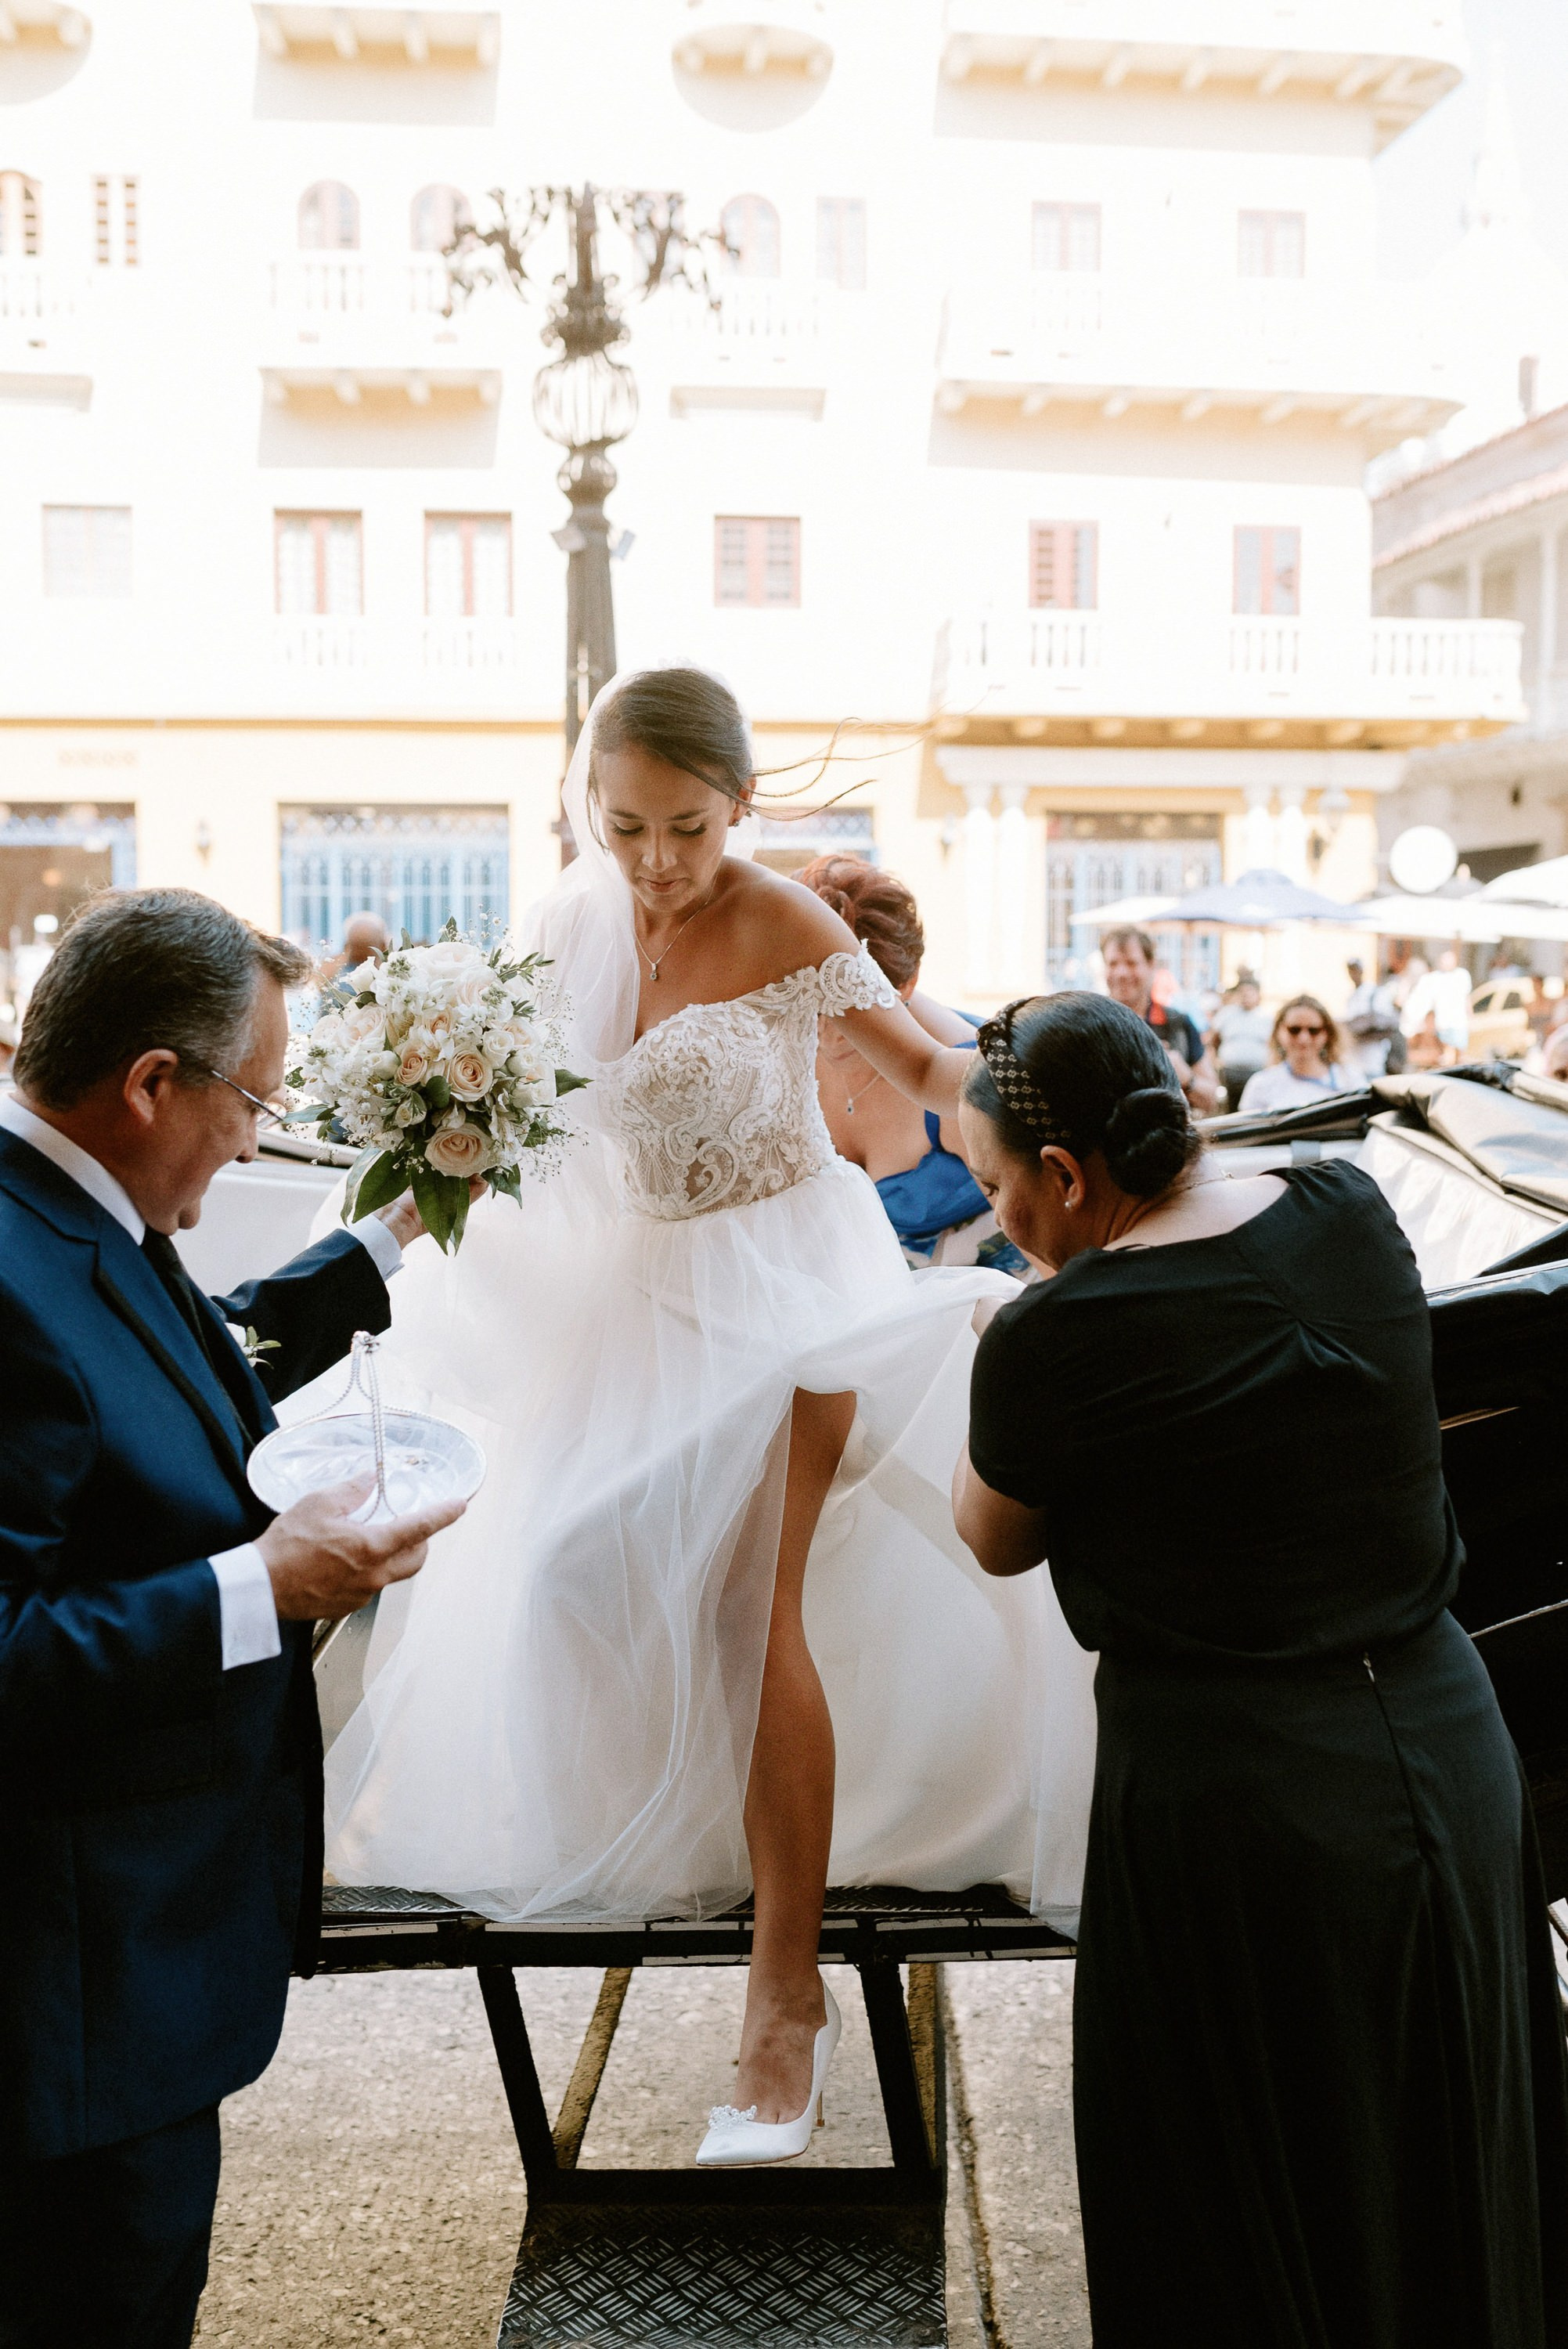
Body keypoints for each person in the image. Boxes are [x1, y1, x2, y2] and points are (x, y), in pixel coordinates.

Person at [320, 667, 1097, 2167]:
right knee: (558, 1578)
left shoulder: (785, 924)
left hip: (790, 1291)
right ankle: (718, 1847)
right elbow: (501, 1131)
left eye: (684, 825)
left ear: (739, 804)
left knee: (752, 1611)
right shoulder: (565, 925)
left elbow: (929, 1070)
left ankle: (781, 2002)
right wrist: (369, 1234)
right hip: (636, 1305)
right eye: (625, 827)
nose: (657, 860)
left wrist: (1074, 1115)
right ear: (586, 805)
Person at [951, 990, 1568, 2348]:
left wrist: (1016, 1331)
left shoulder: (1051, 1340)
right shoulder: (1344, 1205)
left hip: (1237, 1805)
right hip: (1443, 1748)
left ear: (1063, 1175)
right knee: (1444, 2161)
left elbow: (989, 1535)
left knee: (1243, 2208)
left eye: (995, 1185)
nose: (995, 1216)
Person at [0, 889, 468, 2348]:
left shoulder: (76, 1210)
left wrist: (393, 1237)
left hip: (126, 1993)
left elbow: (201, 1360)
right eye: (254, 1098)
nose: (258, 1136)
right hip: (65, 2019)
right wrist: (266, 1585)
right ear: (151, 1083)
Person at [802, 852, 1026, 1275]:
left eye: (853, 1009)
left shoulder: (962, 1068)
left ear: (907, 984)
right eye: (812, 1005)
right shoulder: (784, 1048)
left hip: (989, 1277)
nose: (829, 1033)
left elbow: (1036, 1234)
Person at [1101, 926, 1219, 1112]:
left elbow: (1212, 1100)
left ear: (1151, 966)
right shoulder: (1090, 1024)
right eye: (1113, 964)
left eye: (1131, 963)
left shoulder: (1178, 1024)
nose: (1122, 973)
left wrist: (1184, 1077)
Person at [1237, 994, 1358, 1113]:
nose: (1304, 1039)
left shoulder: (1349, 1077)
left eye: (1313, 1031)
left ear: (1327, 1033)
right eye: (1294, 1030)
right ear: (1279, 1031)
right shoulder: (1261, 1084)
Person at [1206, 969, 1271, 1111]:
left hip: (1257, 1073)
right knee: (1232, 1110)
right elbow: (1213, 1039)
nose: (1245, 996)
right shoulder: (1227, 1014)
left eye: (1250, 992)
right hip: (1230, 1073)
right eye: (1242, 993)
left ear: (1258, 995)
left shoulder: (1267, 1018)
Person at [1402, 945, 1471, 1069]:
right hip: (1444, 1021)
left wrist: (1470, 1015)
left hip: (1458, 1021)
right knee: (1447, 1054)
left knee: (1460, 1054)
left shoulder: (1462, 975)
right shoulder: (1435, 978)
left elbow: (1466, 998)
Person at [1343, 956, 1403, 1081]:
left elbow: (1387, 1024)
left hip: (1373, 1060)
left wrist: (1363, 1029)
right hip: (1355, 1062)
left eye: (1356, 970)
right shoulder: (1352, 997)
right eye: (1351, 970)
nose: (1353, 974)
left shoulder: (1375, 993)